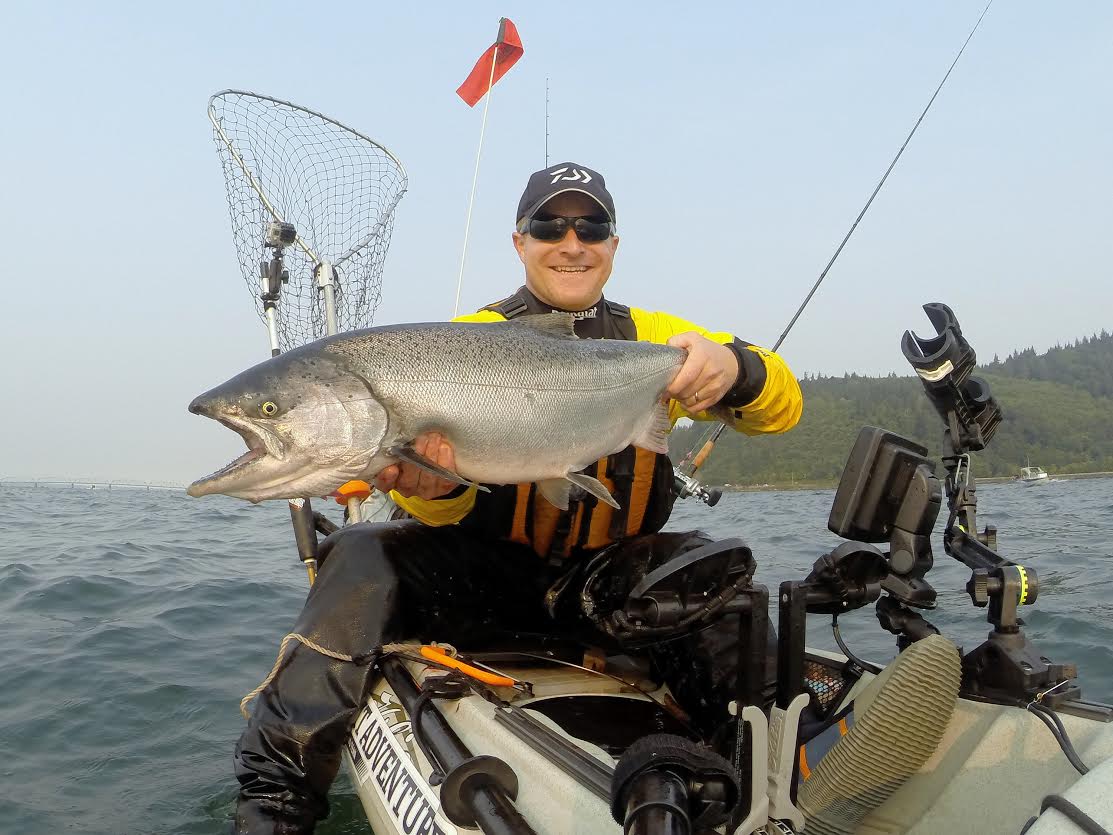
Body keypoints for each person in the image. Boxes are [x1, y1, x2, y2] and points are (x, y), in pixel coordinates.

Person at [232, 162, 803, 833]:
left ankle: (769, 782)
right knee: (357, 553)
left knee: (715, 572)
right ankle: (274, 809)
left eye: (591, 225)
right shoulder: (462, 340)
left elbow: (780, 409)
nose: (571, 241)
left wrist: (734, 369)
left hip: (611, 584)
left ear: (612, 245)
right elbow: (436, 503)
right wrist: (437, 491)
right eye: (549, 225)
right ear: (519, 242)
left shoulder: (659, 338)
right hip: (488, 578)